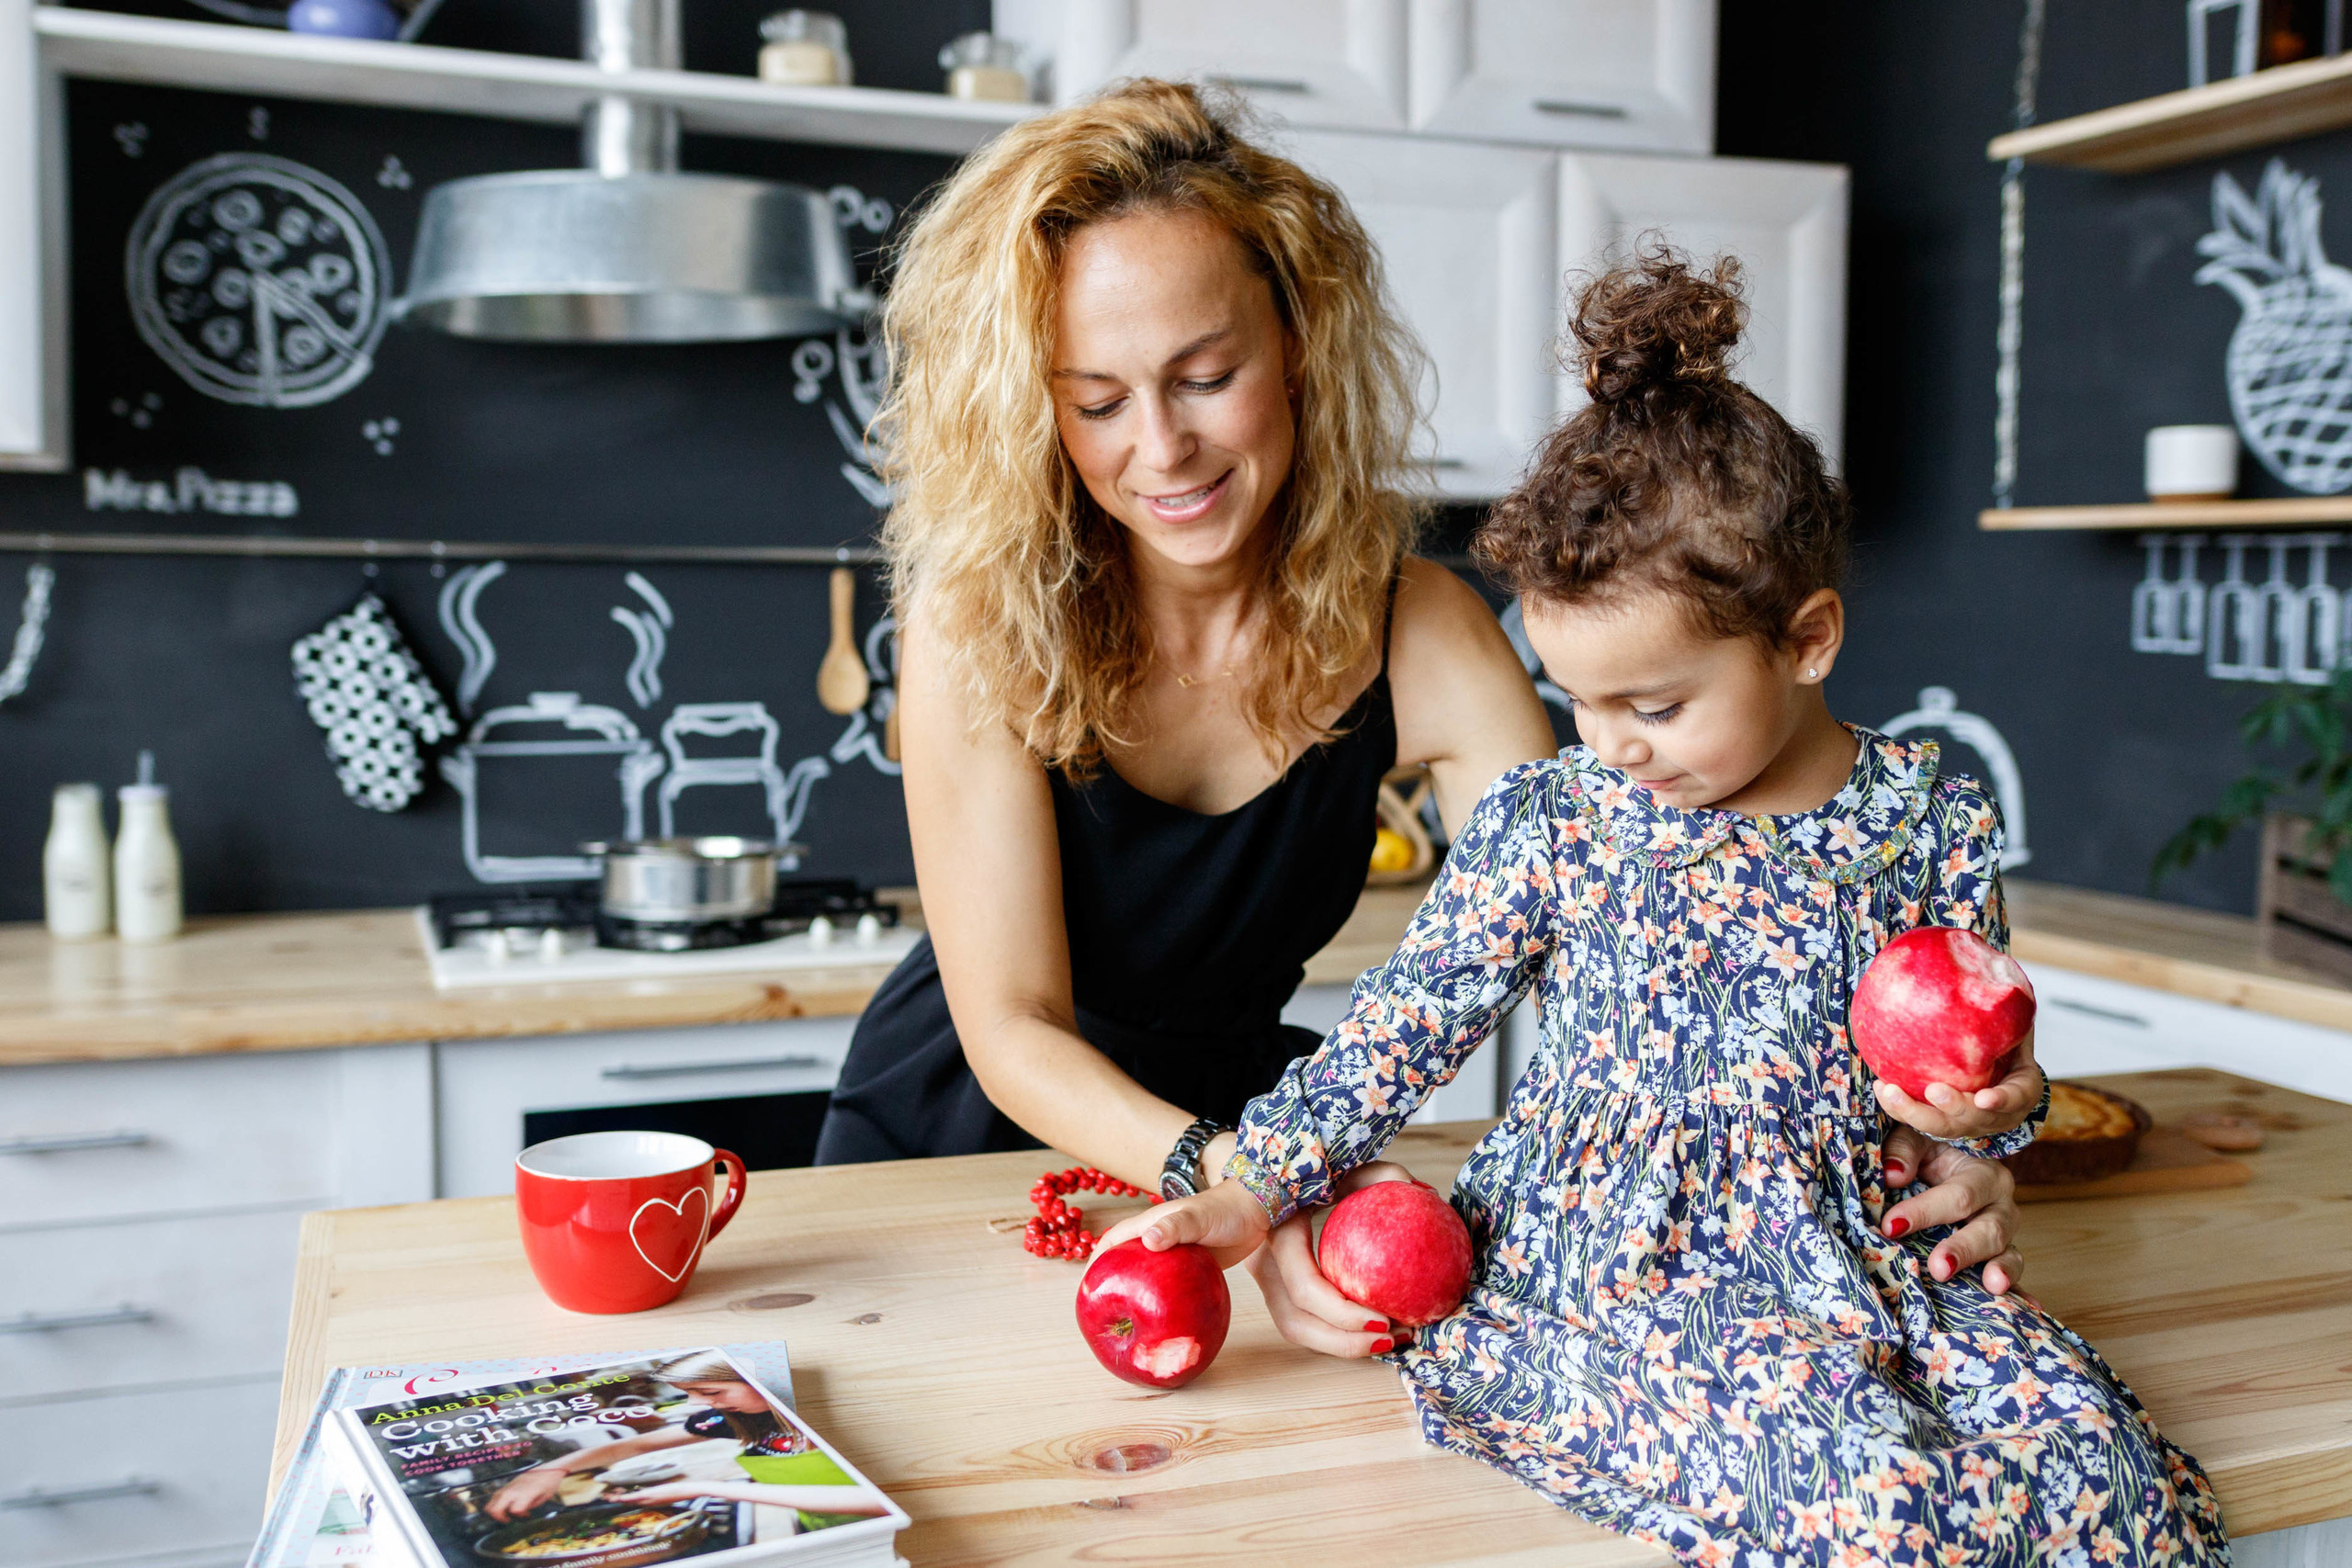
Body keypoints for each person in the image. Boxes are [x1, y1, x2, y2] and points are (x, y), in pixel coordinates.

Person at [813, 80, 2027, 1329]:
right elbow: (1014, 1024)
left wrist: (1925, 1137)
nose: (1162, 448)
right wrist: (1246, 1181)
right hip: (969, 1142)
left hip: (1261, 1123)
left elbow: (1631, 921)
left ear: (1295, 343)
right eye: (1099, 401)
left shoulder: (1424, 629)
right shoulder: (982, 625)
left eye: (1206, 374)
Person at [1102, 250, 2226, 1564]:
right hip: (1619, 1275)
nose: (1613, 742)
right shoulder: (1559, 819)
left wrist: (1991, 1130)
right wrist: (1248, 1192)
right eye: (1580, 697)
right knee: (1877, 1503)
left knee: (2092, 1458)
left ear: (1807, 637)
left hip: (1863, 1260)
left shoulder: (1927, 814)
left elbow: (1989, 1072)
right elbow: (1391, 1037)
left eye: (1655, 702)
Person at [482, 1353, 884, 1527]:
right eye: (693, 1397)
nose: (704, 1407)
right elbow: (635, 1446)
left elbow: (874, 1503)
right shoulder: (738, 1418)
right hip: (820, 1526)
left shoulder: (812, 1415)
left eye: (711, 1393)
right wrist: (551, 1470)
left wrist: (704, 1488)